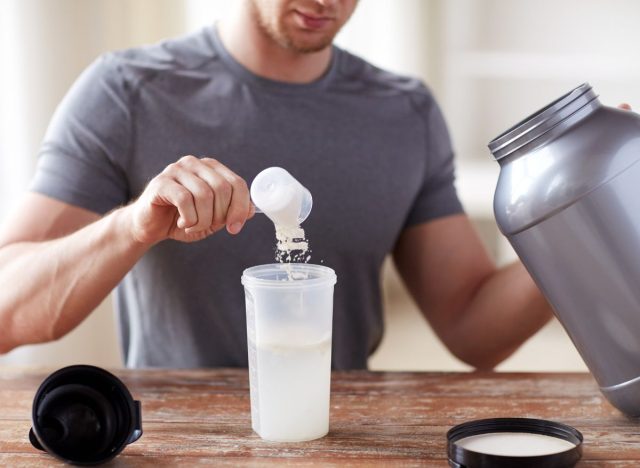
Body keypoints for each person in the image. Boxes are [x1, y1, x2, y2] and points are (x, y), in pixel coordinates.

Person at [0, 0, 555, 369]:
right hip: (176, 442)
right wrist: (132, 225)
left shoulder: (404, 113)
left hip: (341, 441)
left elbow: (473, 328)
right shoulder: (128, 93)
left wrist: (577, 222)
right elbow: (6, 313)